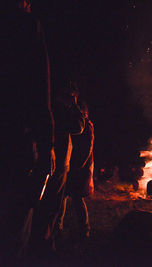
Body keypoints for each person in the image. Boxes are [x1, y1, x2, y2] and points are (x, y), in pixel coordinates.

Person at [0, 0, 54, 260]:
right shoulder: (25, 26)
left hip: (14, 144)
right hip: (14, 148)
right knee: (12, 239)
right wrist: (46, 153)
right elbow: (38, 95)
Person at [29, 83, 85, 254]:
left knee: (45, 205)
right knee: (50, 205)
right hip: (57, 163)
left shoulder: (47, 106)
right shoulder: (60, 109)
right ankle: (44, 244)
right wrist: (74, 104)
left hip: (50, 161)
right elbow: (78, 126)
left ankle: (41, 241)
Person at [57, 101, 94, 239]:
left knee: (77, 198)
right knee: (63, 196)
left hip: (80, 168)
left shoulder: (87, 126)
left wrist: (79, 166)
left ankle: (85, 229)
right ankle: (58, 225)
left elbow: (87, 148)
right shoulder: (75, 125)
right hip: (72, 166)